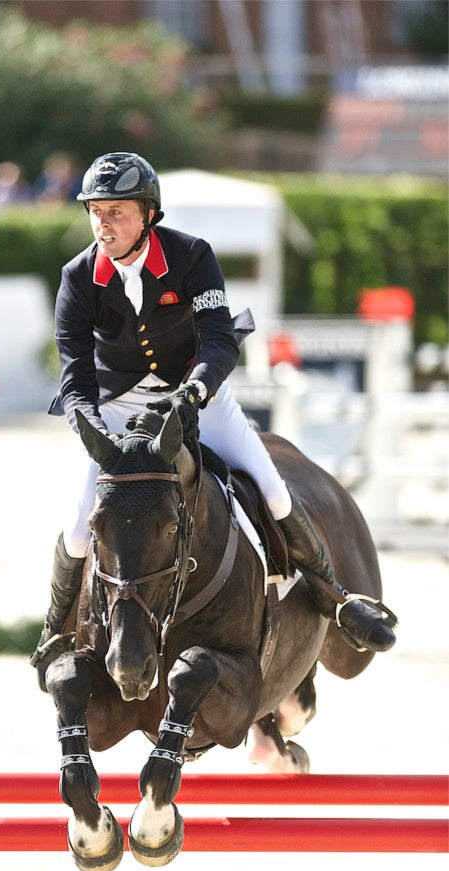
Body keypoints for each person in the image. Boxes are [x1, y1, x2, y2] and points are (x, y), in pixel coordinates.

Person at [30, 152, 396, 686]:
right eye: (96, 211)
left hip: (196, 396)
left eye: (116, 211)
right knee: (82, 522)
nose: (103, 223)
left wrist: (193, 392)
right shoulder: (78, 276)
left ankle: (335, 599)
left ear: (148, 213)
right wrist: (88, 423)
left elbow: (219, 340)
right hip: (120, 409)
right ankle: (54, 630)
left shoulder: (191, 256)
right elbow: (74, 370)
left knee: (270, 488)